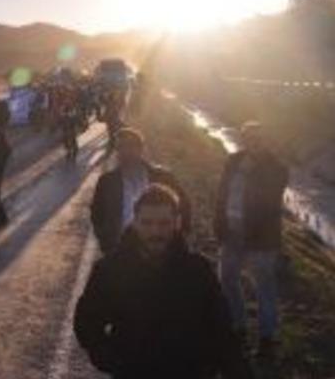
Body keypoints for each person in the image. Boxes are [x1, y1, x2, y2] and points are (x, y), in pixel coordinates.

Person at [75, 184, 252, 379]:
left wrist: (229, 368)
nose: (155, 232)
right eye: (147, 223)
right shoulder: (110, 270)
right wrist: (111, 359)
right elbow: (86, 322)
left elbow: (221, 328)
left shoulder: (197, 270)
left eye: (163, 223)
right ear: (135, 223)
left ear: (177, 223)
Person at [214, 122, 289, 357]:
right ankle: (238, 325)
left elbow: (269, 200)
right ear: (243, 139)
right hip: (232, 234)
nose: (254, 142)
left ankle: (267, 338)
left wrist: (252, 170)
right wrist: (219, 223)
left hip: (261, 239)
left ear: (267, 141)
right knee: (227, 278)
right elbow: (222, 193)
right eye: (249, 138)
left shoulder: (276, 168)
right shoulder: (234, 160)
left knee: (264, 287)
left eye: (259, 138)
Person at [90, 127, 191, 255]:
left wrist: (179, 237)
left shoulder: (163, 177)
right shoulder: (107, 182)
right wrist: (105, 243)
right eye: (121, 147)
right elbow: (97, 214)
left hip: (160, 249)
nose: (126, 151)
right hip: (121, 251)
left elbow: (185, 206)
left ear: (141, 149)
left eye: (131, 146)